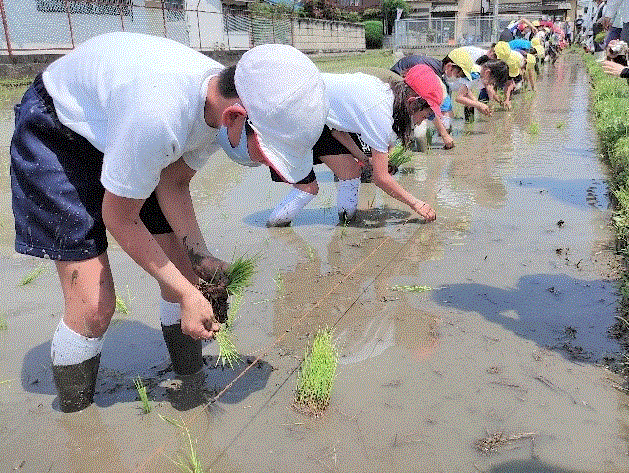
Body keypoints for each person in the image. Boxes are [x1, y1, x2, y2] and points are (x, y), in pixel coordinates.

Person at [10, 32, 327, 412]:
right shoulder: (160, 116)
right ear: (236, 118)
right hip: (59, 132)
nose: (264, 165)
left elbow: (173, 183)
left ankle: (190, 374)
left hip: (122, 129)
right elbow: (120, 217)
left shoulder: (218, 105)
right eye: (267, 155)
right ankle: (77, 421)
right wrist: (188, 296)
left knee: (185, 273)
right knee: (95, 305)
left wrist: (200, 258)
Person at [248, 64, 443, 227]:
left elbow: (338, 130)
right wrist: (417, 204)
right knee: (307, 187)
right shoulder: (380, 113)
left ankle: (346, 223)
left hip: (317, 118)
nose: (423, 121)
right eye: (428, 115)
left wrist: (362, 157)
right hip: (291, 114)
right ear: (413, 103)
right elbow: (381, 178)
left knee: (350, 172)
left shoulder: (382, 92)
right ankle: (273, 228)